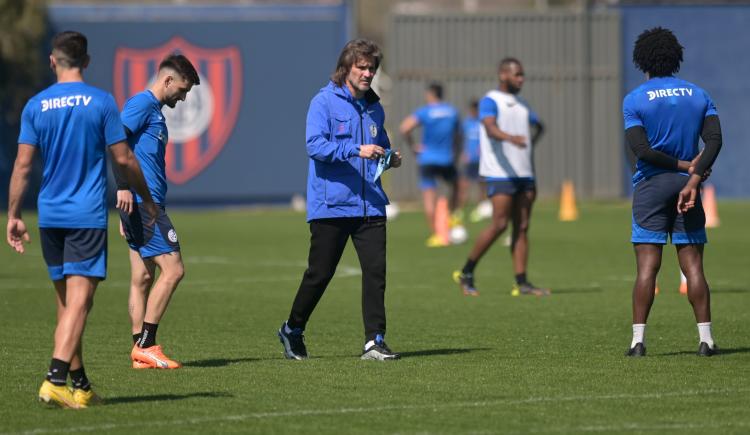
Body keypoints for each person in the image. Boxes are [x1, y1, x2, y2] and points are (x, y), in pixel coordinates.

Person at [7, 31, 156, 408]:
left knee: (67, 303)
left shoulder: (35, 105)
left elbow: (23, 166)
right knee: (80, 302)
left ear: (53, 61)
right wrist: (148, 197)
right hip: (85, 216)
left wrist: (13, 215)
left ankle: (81, 385)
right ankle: (55, 377)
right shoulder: (101, 102)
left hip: (49, 216)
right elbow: (123, 159)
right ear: (86, 62)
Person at [277, 39, 402, 361]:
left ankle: (374, 341)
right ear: (346, 68)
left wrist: (389, 157)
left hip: (370, 204)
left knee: (376, 273)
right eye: (362, 67)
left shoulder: (375, 106)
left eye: (372, 68)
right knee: (320, 274)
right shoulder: (323, 102)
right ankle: (292, 328)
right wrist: (355, 149)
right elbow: (315, 146)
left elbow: (380, 144)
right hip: (331, 204)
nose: (368, 73)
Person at [622, 27, 721, 357]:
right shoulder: (699, 95)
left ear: (642, 59)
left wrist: (680, 166)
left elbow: (641, 150)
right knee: (693, 266)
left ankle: (638, 342)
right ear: (675, 57)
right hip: (687, 188)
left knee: (647, 268)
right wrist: (692, 176)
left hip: (651, 187)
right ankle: (706, 340)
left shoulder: (635, 99)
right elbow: (715, 141)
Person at [114, 54, 199, 369]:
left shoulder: (155, 113)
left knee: (142, 276)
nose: (183, 97)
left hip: (139, 205)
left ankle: (139, 354)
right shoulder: (142, 104)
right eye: (183, 89)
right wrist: (123, 186)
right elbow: (115, 142)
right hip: (140, 202)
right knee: (174, 269)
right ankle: (147, 345)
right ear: (167, 80)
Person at [452, 58, 546, 297]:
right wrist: (511, 138)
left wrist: (528, 146)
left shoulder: (522, 104)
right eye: (517, 75)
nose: (521, 79)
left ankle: (522, 282)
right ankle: (467, 271)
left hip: (525, 173)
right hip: (500, 173)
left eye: (523, 75)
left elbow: (538, 125)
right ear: (503, 75)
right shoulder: (490, 101)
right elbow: (489, 127)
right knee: (500, 224)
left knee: (522, 227)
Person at [399, 83, 461, 247]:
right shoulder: (452, 112)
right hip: (446, 158)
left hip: (427, 159)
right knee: (456, 186)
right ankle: (452, 215)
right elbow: (459, 136)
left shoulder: (425, 111)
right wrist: (456, 152)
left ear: (431, 94)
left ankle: (436, 234)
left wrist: (413, 146)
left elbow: (404, 128)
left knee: (429, 196)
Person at [458, 99, 491, 223]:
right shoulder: (465, 123)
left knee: (482, 185)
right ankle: (459, 210)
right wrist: (463, 152)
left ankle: (480, 208)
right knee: (464, 185)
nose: (473, 112)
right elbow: (460, 139)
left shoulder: (483, 123)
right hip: (468, 160)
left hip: (481, 160)